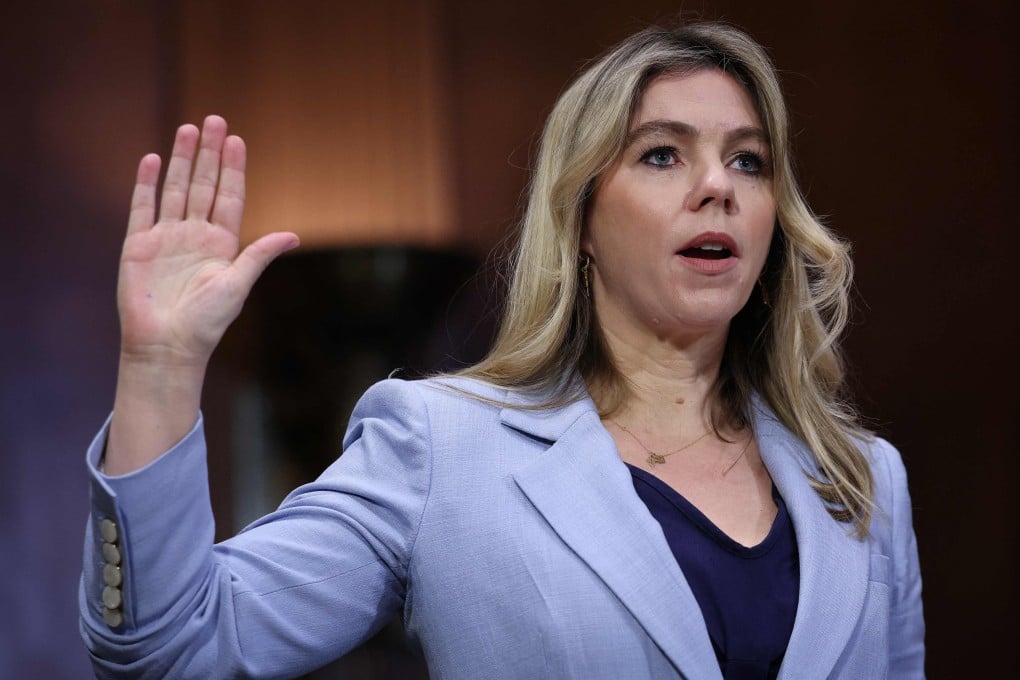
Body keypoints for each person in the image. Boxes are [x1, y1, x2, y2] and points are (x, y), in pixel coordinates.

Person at [79, 22, 924, 679]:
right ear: (581, 218)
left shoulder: (862, 479)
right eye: (663, 154)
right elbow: (174, 648)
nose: (718, 187)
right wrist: (160, 369)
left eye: (748, 161)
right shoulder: (444, 448)